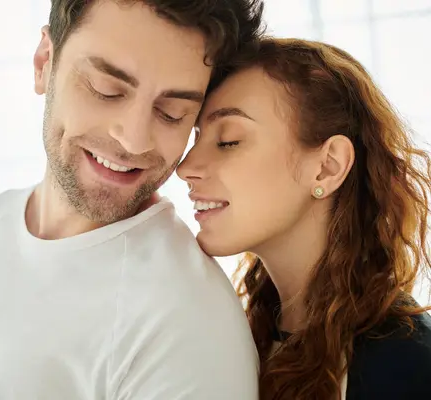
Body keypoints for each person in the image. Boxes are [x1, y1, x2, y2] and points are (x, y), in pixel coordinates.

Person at [0, 1, 265, 399]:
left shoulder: (190, 322)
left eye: (171, 113)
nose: (132, 139)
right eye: (106, 89)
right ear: (45, 62)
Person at [178, 37, 431, 399]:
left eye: (228, 140)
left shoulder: (407, 366)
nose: (185, 168)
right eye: (196, 138)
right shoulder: (244, 339)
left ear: (327, 167)